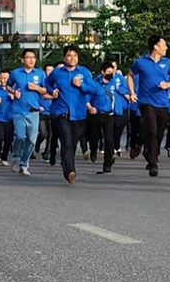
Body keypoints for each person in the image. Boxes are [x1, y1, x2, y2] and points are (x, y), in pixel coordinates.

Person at [128, 35, 170, 178]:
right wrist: (132, 92)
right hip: (146, 102)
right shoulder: (141, 62)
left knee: (159, 132)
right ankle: (153, 163)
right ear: (156, 46)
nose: (166, 47)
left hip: (163, 103)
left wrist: (167, 84)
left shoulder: (168, 63)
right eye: (164, 45)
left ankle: (149, 151)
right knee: (152, 130)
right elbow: (130, 76)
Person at [45, 45, 95, 184]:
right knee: (66, 142)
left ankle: (65, 164)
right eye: (69, 55)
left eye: (74, 56)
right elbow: (47, 82)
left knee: (72, 144)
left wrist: (81, 86)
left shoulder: (84, 72)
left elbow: (92, 89)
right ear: (64, 58)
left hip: (79, 114)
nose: (72, 58)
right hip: (62, 112)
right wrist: (52, 91)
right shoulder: (57, 72)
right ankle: (70, 171)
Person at [7, 49, 47, 176]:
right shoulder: (16, 73)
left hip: (34, 111)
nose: (31, 60)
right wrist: (14, 92)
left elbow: (45, 90)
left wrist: (36, 88)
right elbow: (8, 85)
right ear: (23, 59)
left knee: (31, 141)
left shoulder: (40, 74)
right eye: (28, 57)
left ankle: (24, 164)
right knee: (19, 136)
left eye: (33, 57)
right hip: (19, 110)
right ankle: (17, 158)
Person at [87, 61, 118, 173]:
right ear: (103, 72)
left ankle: (107, 163)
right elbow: (87, 98)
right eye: (108, 72)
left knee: (109, 139)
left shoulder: (114, 83)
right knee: (94, 137)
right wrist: (90, 107)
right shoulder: (94, 84)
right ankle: (93, 149)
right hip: (96, 114)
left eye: (112, 71)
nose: (110, 74)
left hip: (109, 114)